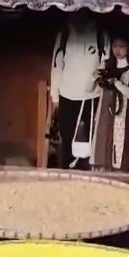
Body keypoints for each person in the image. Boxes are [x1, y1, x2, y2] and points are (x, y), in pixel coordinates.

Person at [50, 13, 108, 170]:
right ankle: (65, 174)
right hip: (67, 95)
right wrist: (55, 97)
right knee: (67, 141)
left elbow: (106, 62)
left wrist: (94, 79)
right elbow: (57, 65)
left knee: (89, 141)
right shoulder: (64, 33)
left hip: (91, 97)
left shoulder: (100, 33)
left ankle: (87, 174)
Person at [90, 36, 129, 172]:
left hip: (125, 113)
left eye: (122, 46)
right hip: (106, 111)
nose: (118, 50)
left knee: (122, 145)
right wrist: (94, 77)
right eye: (115, 46)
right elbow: (90, 89)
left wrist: (116, 82)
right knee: (104, 141)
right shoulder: (106, 65)